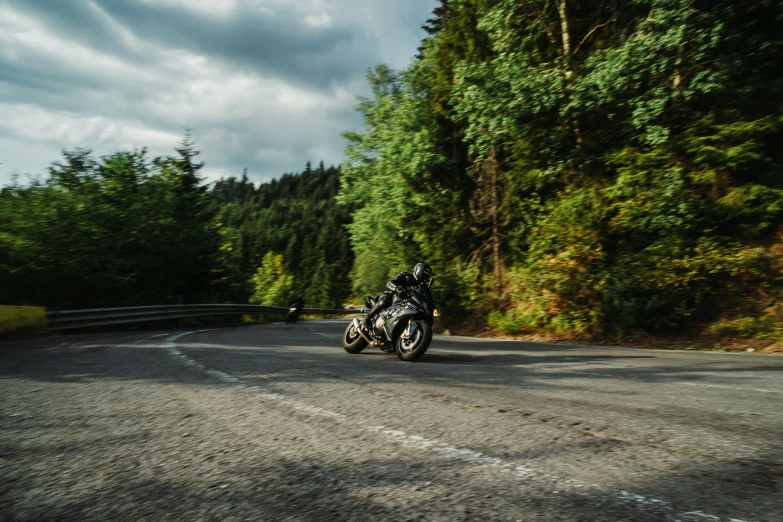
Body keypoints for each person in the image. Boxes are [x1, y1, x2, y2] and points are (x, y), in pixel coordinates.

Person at [364, 262, 434, 329]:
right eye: (423, 274)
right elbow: (390, 283)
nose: (424, 277)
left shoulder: (423, 287)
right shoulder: (405, 276)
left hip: (407, 304)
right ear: (418, 270)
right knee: (385, 300)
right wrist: (397, 288)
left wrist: (435, 303)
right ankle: (367, 318)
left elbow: (427, 297)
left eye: (427, 276)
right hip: (393, 297)